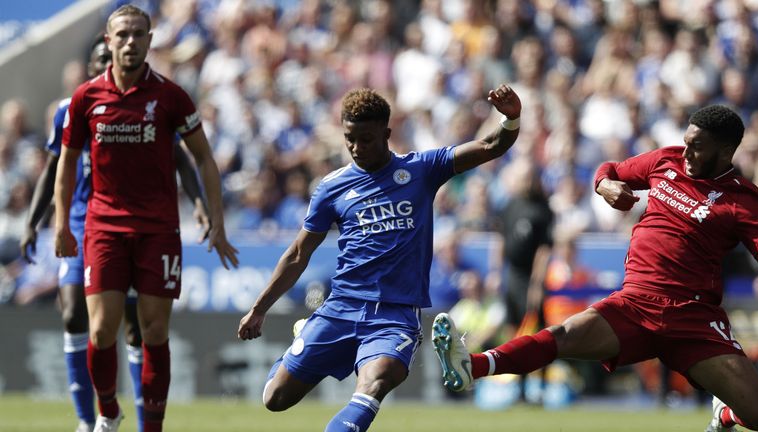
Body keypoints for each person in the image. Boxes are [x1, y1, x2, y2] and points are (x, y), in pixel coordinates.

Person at [432, 104, 758, 431]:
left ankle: (724, 416)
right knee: (560, 336)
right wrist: (605, 186)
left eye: (697, 147)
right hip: (635, 304)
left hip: (692, 318)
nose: (687, 153)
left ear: (725, 152)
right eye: (686, 142)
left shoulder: (742, 200)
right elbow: (610, 169)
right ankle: (471, 365)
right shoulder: (666, 160)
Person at [237, 84, 522, 432]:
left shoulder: (421, 170)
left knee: (372, 385)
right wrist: (260, 308)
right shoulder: (332, 187)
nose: (357, 148)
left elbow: (490, 145)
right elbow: (298, 253)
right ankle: (306, 332)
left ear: (387, 133)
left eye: (367, 139)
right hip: (341, 306)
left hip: (394, 315)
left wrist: (510, 118)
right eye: (349, 138)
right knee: (275, 399)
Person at [53, 5, 239, 432]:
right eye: (122, 35)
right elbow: (66, 164)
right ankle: (108, 411)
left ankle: (151, 427)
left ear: (150, 40)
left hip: (157, 229)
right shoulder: (86, 98)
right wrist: (62, 224)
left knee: (154, 331)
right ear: (108, 39)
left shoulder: (171, 97)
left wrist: (217, 218)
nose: (130, 42)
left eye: (139, 34)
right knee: (100, 331)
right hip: (103, 227)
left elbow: (205, 159)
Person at [20, 35, 210, 432]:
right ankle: (90, 421)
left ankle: (143, 423)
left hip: (132, 222)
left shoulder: (147, 107)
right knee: (76, 315)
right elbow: (56, 169)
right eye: (102, 58)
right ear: (92, 67)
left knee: (136, 325)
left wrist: (199, 202)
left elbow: (181, 159)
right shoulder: (73, 108)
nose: (110, 62)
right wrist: (34, 221)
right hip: (80, 221)